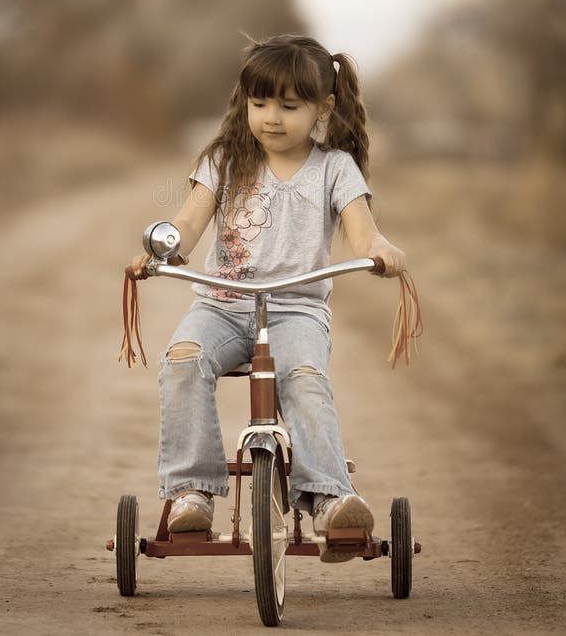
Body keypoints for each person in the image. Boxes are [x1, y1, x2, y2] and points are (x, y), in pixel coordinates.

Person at [129, 34, 407, 562]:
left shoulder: (334, 169)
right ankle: (192, 491)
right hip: (221, 303)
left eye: (288, 105)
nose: (271, 118)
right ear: (244, 103)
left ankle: (329, 496)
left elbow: (363, 232)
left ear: (323, 107)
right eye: (259, 104)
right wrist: (164, 251)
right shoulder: (224, 160)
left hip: (295, 308)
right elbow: (188, 223)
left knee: (303, 377)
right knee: (183, 360)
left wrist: (381, 250)